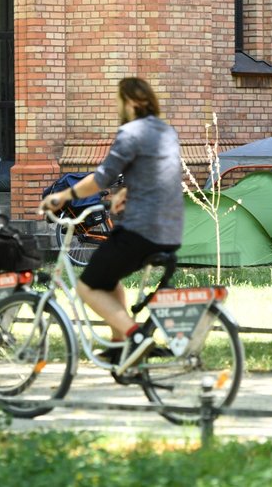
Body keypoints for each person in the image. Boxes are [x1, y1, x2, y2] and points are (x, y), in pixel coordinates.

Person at [40, 77, 184, 366]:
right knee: (110, 279)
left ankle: (134, 337)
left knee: (86, 287)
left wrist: (63, 196)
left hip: (141, 228)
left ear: (131, 102)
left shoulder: (131, 132)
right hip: (170, 228)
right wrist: (129, 190)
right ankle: (120, 348)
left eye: (120, 101)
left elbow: (101, 178)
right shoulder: (166, 131)